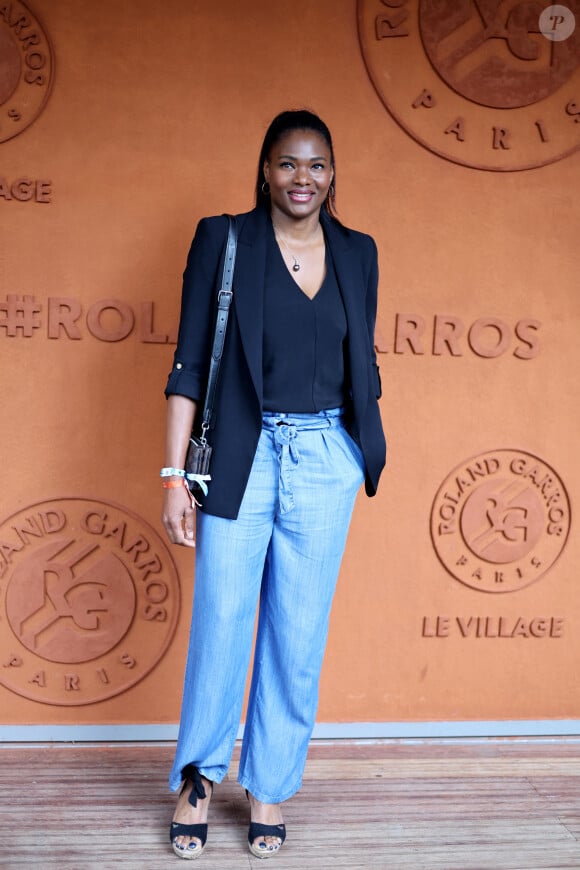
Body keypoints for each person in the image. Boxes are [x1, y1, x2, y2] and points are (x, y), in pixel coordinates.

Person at [161, 108, 386, 860]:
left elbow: (360, 365)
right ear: (264, 169)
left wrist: (356, 450)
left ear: (333, 173)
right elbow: (190, 363)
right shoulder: (225, 240)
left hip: (325, 457)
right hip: (241, 458)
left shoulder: (358, 253)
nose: (302, 178)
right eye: (288, 163)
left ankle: (269, 786)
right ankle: (198, 779)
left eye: (316, 164)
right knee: (221, 625)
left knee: (297, 637)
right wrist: (175, 477)